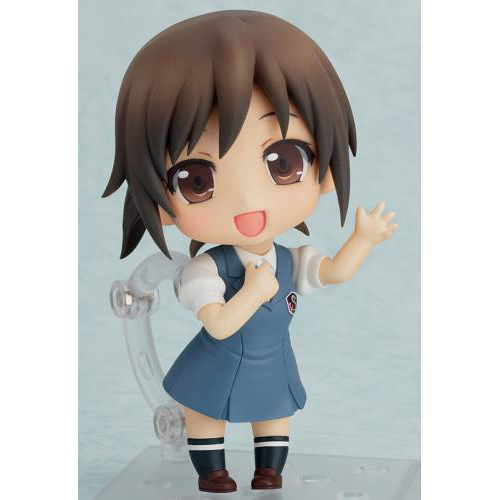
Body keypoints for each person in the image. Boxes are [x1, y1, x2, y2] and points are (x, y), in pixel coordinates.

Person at [103, 10, 398, 494]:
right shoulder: (205, 269)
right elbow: (218, 324)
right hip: (215, 363)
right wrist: (255, 291)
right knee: (205, 415)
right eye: (197, 180)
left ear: (323, 172)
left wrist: (362, 239)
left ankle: (269, 471)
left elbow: (334, 273)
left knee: (274, 414)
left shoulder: (289, 260)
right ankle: (212, 472)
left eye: (283, 163)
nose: (246, 200)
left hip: (271, 361)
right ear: (159, 203)